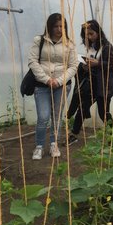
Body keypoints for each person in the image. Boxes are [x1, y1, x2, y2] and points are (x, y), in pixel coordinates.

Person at [28, 13, 78, 160]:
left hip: (61, 85)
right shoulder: (39, 41)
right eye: (56, 26)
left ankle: (53, 144)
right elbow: (32, 62)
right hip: (41, 84)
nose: (59, 29)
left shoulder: (70, 44)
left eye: (62, 26)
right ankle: (39, 146)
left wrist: (59, 80)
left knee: (57, 116)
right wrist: (46, 79)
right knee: (43, 116)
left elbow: (73, 66)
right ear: (49, 27)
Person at [67, 20, 113, 144]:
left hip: (102, 86)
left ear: (98, 32)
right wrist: (85, 66)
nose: (89, 37)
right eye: (86, 35)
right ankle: (74, 134)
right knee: (83, 107)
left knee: (103, 112)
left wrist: (98, 63)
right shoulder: (90, 47)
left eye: (91, 34)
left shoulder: (106, 47)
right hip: (90, 84)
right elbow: (90, 63)